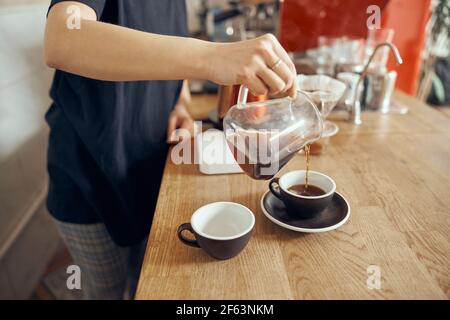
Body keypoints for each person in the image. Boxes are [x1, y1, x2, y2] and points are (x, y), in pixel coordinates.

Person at [44, 0, 297, 299]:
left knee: (143, 281)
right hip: (90, 177)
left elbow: (170, 57)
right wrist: (212, 56)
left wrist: (181, 102)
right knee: (106, 290)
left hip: (150, 169)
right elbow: (63, 39)